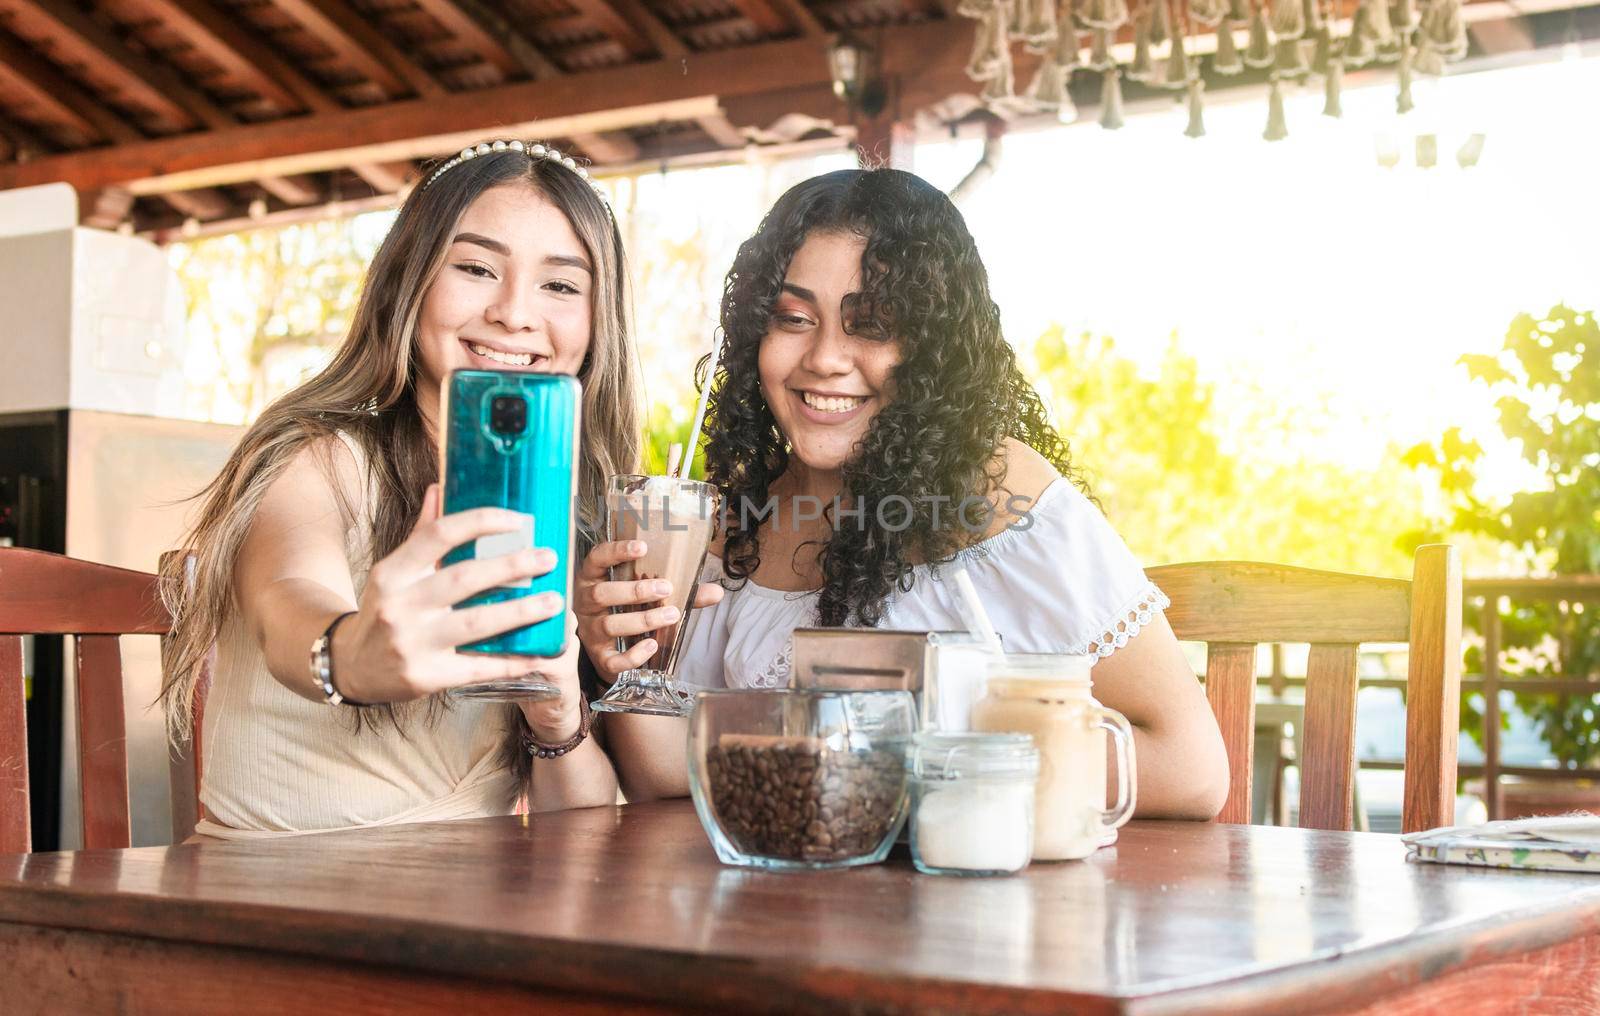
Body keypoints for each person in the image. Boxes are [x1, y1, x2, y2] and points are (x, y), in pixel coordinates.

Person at [578, 168, 1229, 819]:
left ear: (933, 349)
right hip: (770, 906)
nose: (826, 358)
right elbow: (664, 777)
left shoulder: (999, 495)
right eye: (794, 318)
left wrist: (910, 765)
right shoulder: (717, 528)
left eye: (873, 323)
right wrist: (622, 668)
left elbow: (1191, 769)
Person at [160, 140, 636, 839]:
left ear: (598, 325)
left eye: (560, 285)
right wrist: (350, 654)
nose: (513, 312)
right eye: (475, 268)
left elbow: (589, 844)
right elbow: (288, 599)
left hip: (463, 909)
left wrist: (558, 718)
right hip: (275, 900)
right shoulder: (317, 458)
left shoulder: (571, 513)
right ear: (406, 284)